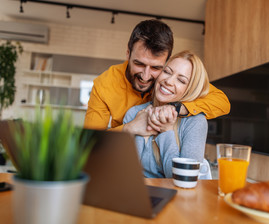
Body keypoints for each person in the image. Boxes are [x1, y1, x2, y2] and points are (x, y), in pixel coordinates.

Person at [84, 19, 230, 135]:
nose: (145, 76)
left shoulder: (169, 80)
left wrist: (177, 109)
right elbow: (89, 143)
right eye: (139, 64)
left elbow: (222, 102)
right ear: (128, 53)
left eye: (156, 67)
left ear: (167, 62)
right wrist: (129, 129)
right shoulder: (104, 84)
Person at [123, 50, 210, 178]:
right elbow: (121, 171)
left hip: (175, 196)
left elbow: (185, 178)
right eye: (167, 72)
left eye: (181, 80)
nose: (169, 81)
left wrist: (166, 131)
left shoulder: (195, 122)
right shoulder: (134, 113)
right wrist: (130, 128)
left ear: (190, 89)